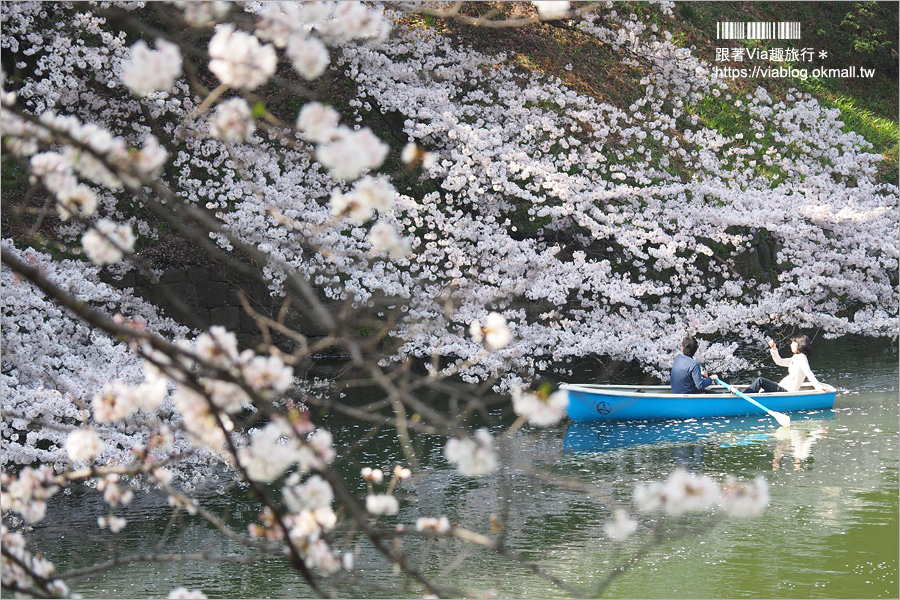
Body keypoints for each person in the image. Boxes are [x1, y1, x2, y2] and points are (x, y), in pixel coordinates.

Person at [743, 335, 829, 393]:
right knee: (761, 385)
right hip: (781, 387)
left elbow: (808, 372)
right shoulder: (796, 358)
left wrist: (817, 386)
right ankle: (744, 395)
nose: (791, 345)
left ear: (800, 344)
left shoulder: (801, 357)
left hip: (786, 391)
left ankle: (743, 397)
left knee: (760, 380)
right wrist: (774, 349)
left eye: (793, 343)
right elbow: (779, 361)